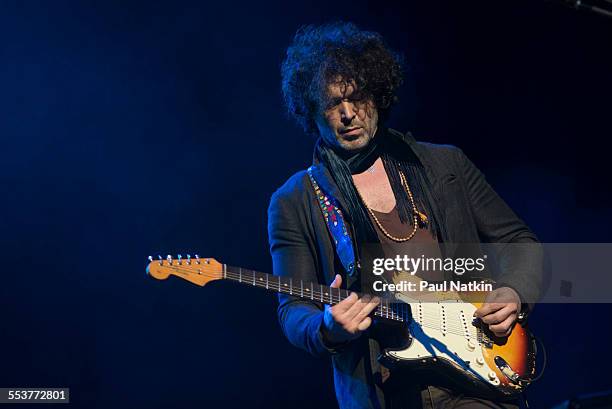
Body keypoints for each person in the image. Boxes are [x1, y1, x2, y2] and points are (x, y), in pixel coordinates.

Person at [268, 22, 541, 409]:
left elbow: (520, 243)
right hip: (387, 391)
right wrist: (326, 327)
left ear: (378, 96)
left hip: (478, 377)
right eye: (332, 104)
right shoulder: (296, 199)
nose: (348, 114)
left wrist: (514, 291)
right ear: (311, 112)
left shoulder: (445, 163)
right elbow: (292, 310)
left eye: (358, 97)